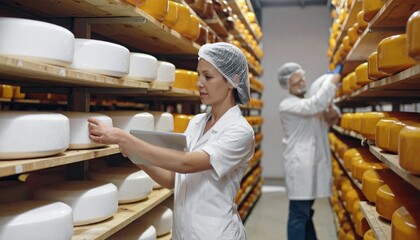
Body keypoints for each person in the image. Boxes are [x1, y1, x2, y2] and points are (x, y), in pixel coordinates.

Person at [88, 42, 255, 240]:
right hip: (183, 232)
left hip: (215, 234)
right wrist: (133, 153)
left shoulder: (240, 131)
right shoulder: (197, 122)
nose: (199, 83)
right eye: (199, 75)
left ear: (232, 81)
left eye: (208, 76)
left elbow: (186, 163)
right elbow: (171, 179)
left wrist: (124, 137)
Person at [277, 62, 341, 240]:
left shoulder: (309, 104)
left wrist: (329, 107)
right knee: (299, 213)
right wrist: (333, 81)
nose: (301, 82)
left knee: (305, 212)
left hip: (312, 164)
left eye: (302, 78)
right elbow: (314, 105)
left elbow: (332, 117)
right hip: (300, 166)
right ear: (287, 84)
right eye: (296, 80)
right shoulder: (288, 104)